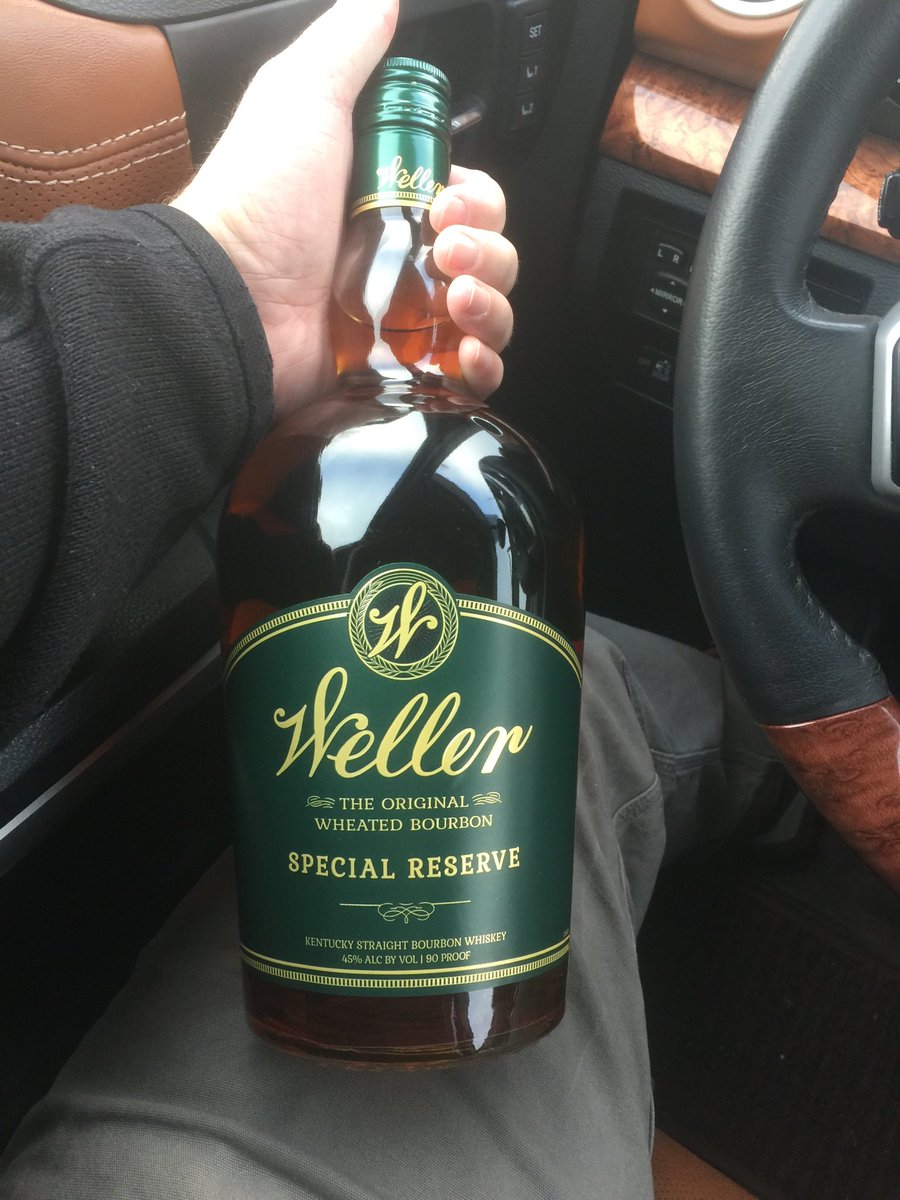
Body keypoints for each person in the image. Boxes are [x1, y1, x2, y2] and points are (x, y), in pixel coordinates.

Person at [0, 1, 783, 1196]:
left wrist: (221, 288)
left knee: (581, 692)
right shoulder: (311, 474)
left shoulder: (479, 465)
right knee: (600, 693)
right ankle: (775, 771)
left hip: (377, 990)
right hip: (286, 1053)